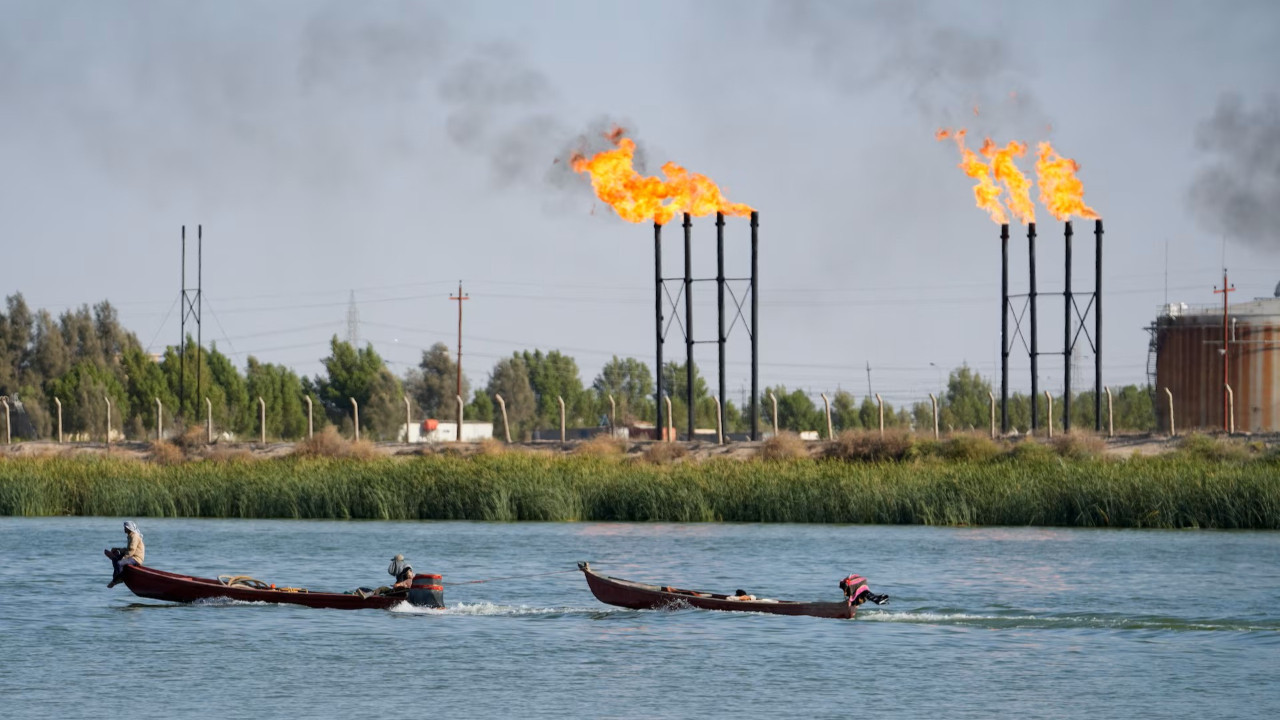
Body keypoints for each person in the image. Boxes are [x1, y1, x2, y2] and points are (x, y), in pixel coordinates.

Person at [104, 521, 145, 588]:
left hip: (136, 558)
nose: (124, 529)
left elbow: (131, 550)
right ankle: (115, 579)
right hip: (131, 556)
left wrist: (124, 558)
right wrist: (118, 549)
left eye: (125, 528)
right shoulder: (130, 536)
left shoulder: (134, 536)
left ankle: (120, 578)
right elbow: (128, 549)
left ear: (129, 528)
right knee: (115, 559)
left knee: (119, 563)